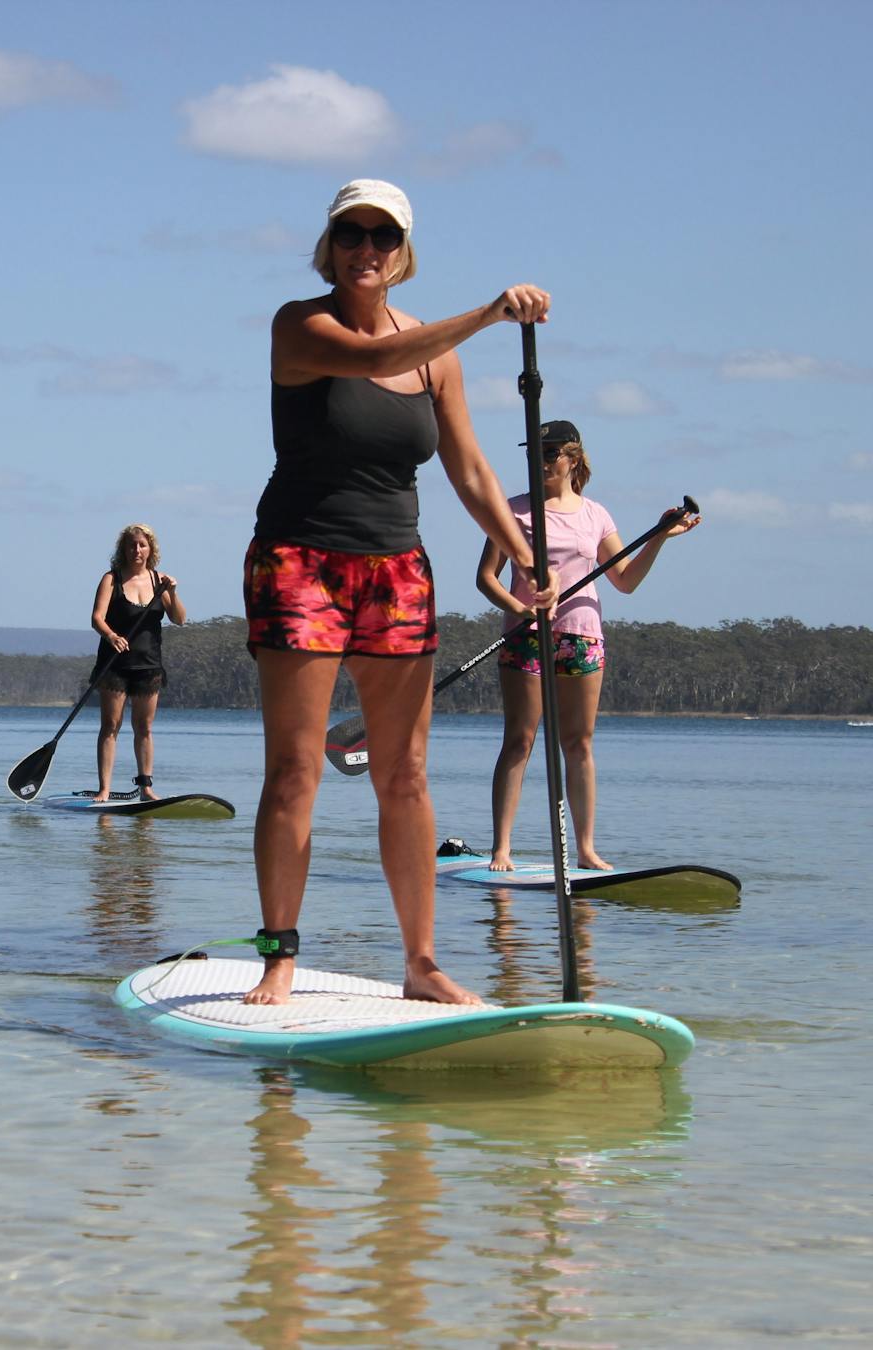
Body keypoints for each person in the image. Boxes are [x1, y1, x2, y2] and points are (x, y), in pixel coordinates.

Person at [243, 178, 556, 1007]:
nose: (366, 250)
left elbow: (473, 471)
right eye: (352, 234)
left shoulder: (437, 358)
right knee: (295, 771)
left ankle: (421, 964)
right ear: (330, 245)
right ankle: (280, 956)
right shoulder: (297, 325)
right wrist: (490, 314)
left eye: (383, 236)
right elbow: (376, 359)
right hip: (299, 561)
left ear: (403, 251)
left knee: (407, 774)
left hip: (397, 571)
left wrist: (526, 556)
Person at [477, 419, 701, 872]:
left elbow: (625, 581)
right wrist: (521, 609)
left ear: (573, 458)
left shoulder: (596, 515)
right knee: (519, 740)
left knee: (578, 744)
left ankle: (585, 849)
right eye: (533, 454)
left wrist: (658, 537)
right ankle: (502, 848)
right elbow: (486, 578)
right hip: (527, 636)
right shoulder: (513, 512)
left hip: (581, 636)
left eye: (549, 454)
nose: (540, 462)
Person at [89, 524, 186, 801]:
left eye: (142, 545)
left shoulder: (159, 581)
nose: (137, 550)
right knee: (111, 725)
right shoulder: (111, 579)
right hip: (115, 665)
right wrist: (111, 636)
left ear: (150, 549)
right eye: (131, 545)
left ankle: (146, 788)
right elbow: (97, 618)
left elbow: (179, 619)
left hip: (149, 665)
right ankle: (104, 789)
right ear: (123, 549)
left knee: (144, 728)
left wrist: (173, 592)